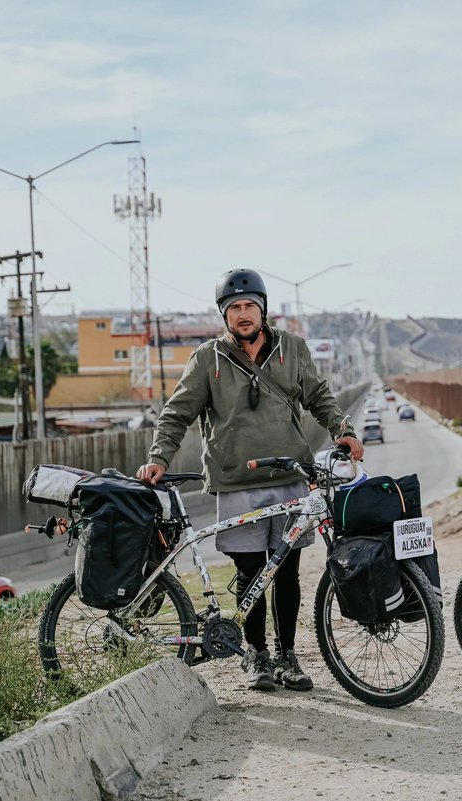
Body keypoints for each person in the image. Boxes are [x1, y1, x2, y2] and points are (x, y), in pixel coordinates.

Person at [136, 268, 364, 692]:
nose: (243, 315)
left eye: (250, 306)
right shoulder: (208, 358)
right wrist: (159, 458)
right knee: (250, 573)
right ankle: (256, 654)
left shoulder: (292, 348)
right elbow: (177, 412)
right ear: (224, 315)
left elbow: (318, 396)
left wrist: (342, 430)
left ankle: (288, 655)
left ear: (263, 309)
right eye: (235, 308)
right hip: (237, 482)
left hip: (291, 475)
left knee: (288, 572)